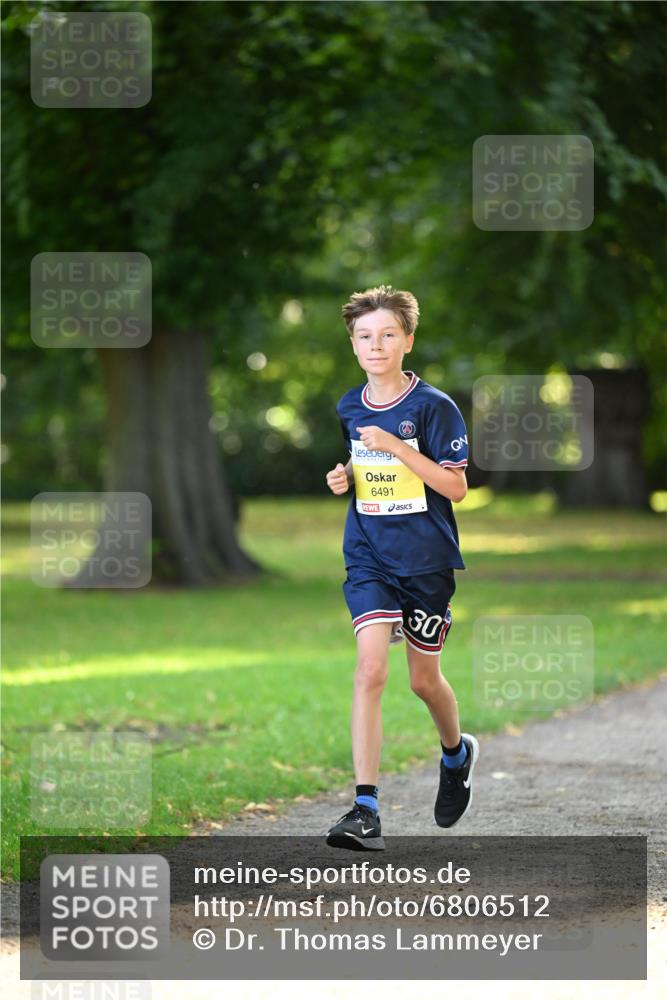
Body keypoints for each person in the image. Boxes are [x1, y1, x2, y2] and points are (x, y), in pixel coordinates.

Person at [325, 284, 478, 851]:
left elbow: (456, 487)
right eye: (365, 336)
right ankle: (364, 810)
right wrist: (343, 477)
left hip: (426, 562)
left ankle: (456, 754)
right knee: (370, 671)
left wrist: (398, 447)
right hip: (367, 552)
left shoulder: (435, 407)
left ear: (408, 341)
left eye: (388, 334)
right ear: (353, 344)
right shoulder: (349, 404)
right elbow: (360, 464)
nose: (376, 344)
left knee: (423, 680)